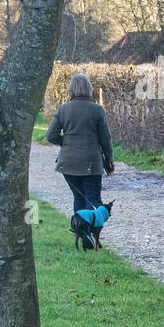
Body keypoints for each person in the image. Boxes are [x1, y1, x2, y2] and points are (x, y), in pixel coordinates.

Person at [47, 72, 114, 246]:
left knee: (78, 198)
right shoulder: (97, 110)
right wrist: (109, 159)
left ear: (71, 89)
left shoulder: (63, 109)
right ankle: (91, 236)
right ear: (89, 89)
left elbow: (51, 135)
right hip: (92, 162)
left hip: (67, 164)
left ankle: (82, 234)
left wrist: (67, 143)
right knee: (92, 199)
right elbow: (105, 139)